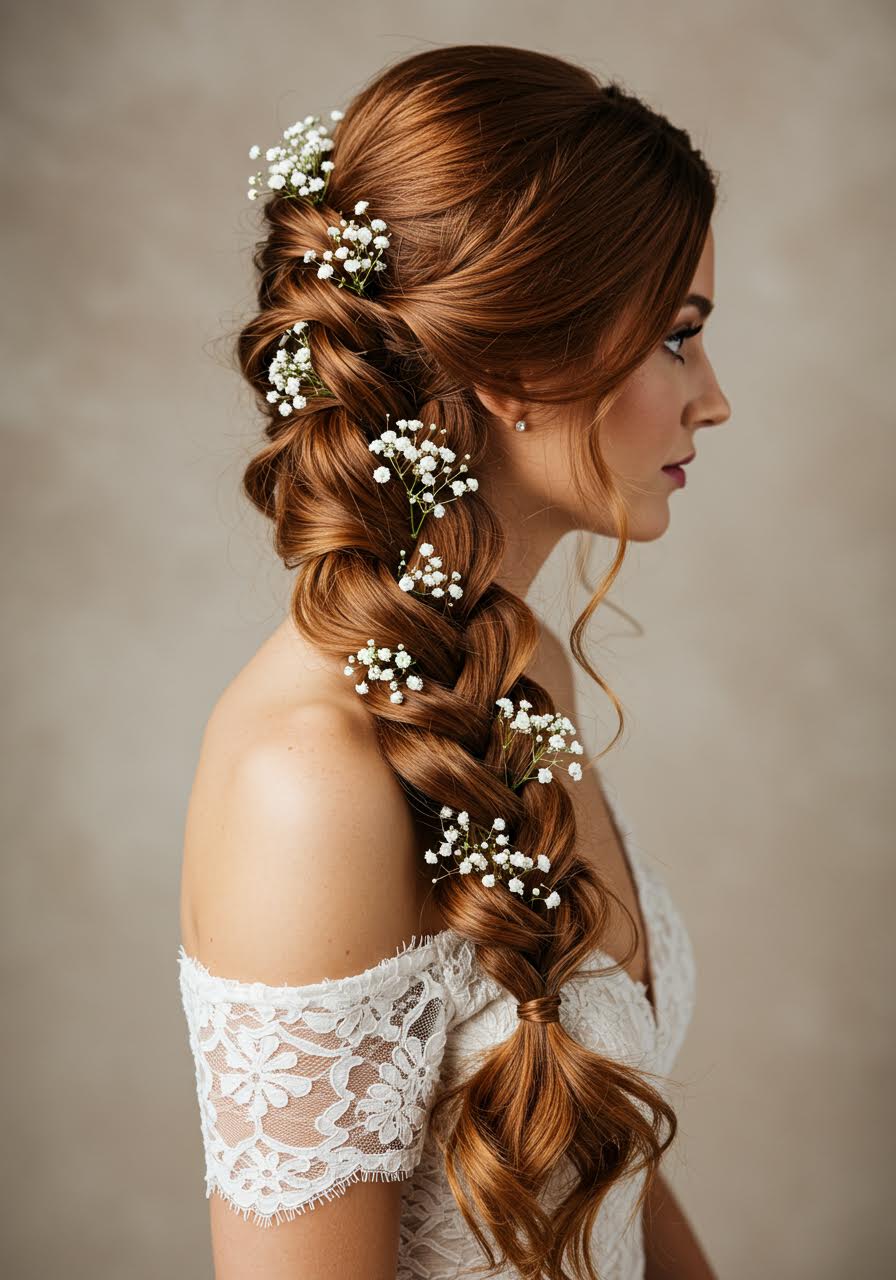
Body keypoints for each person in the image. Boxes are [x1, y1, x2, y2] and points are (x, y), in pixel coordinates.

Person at [177, 43, 731, 1280]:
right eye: (679, 339)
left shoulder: (515, 660)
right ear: (521, 366)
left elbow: (603, 1157)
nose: (714, 399)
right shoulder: (306, 783)